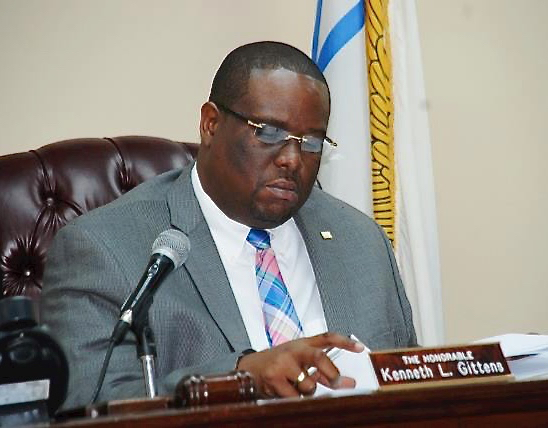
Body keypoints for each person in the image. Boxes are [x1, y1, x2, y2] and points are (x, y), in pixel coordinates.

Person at [40, 41, 416, 410]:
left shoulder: (361, 241)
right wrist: (239, 377)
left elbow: (414, 386)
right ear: (211, 124)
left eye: (312, 141)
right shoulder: (104, 248)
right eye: (269, 132)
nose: (292, 158)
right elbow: (87, 403)